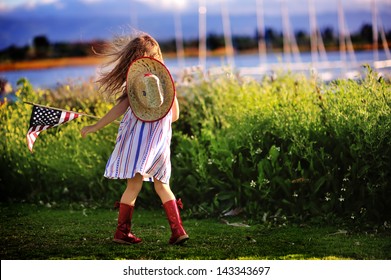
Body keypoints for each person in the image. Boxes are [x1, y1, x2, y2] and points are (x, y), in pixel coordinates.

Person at [80, 33, 189, 245]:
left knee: (133, 186)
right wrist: (158, 120)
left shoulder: (136, 84)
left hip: (138, 143)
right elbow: (174, 116)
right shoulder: (166, 83)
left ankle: (122, 232)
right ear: (156, 55)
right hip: (159, 143)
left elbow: (118, 110)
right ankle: (178, 231)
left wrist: (95, 126)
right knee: (162, 184)